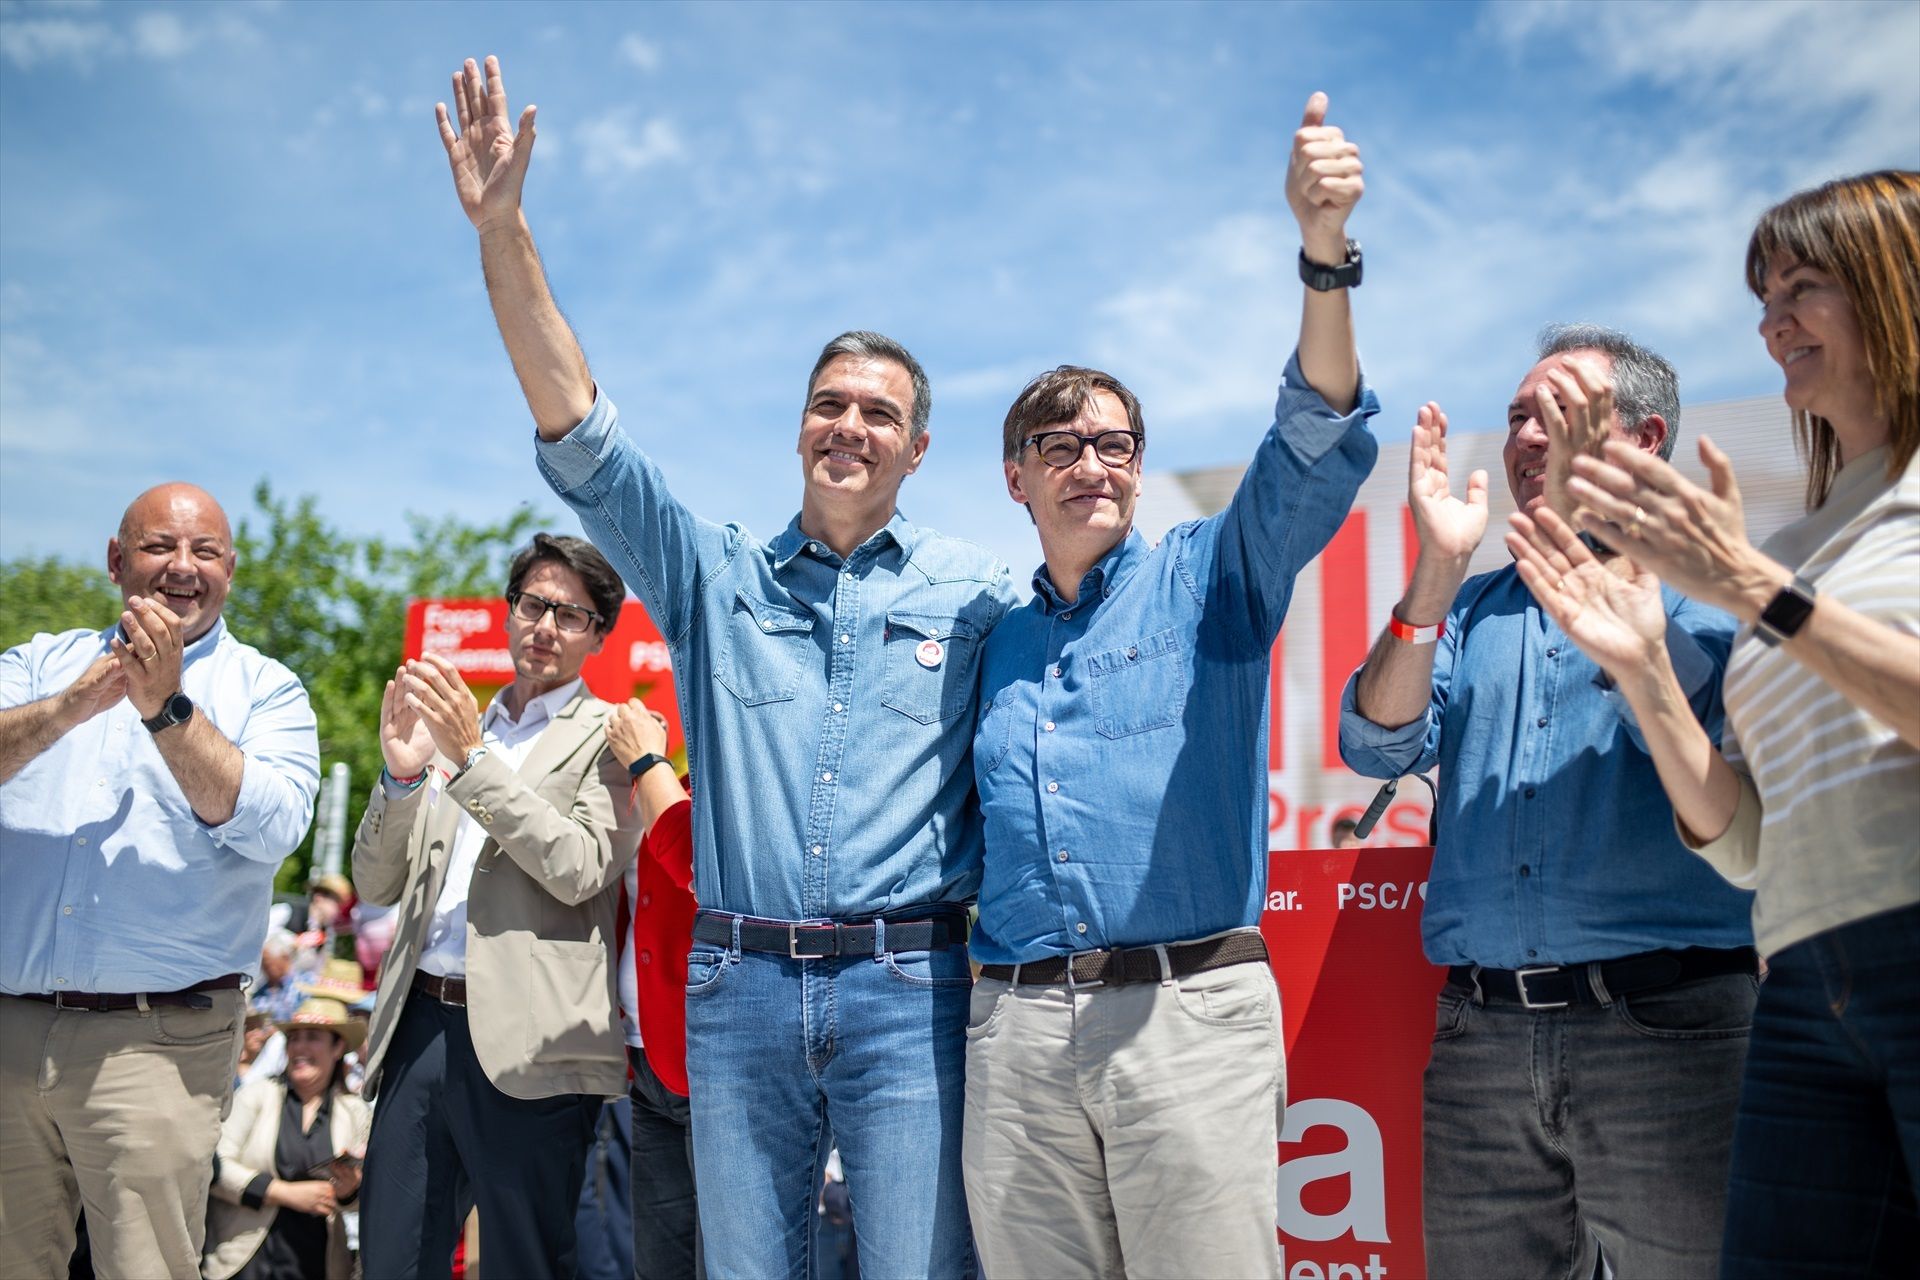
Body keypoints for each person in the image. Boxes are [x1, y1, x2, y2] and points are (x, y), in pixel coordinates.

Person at [434, 56, 1014, 1278]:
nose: (846, 425)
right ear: (799, 424)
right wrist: (505, 234)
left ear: (917, 446)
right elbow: (581, 431)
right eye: (827, 403)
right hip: (739, 988)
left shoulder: (979, 591)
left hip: (913, 993)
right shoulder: (714, 575)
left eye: (875, 412)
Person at [962, 93, 1375, 1278]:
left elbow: (1314, 428)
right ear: (1016, 478)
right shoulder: (990, 639)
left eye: (1117, 445)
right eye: (1062, 446)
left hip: (1187, 1019)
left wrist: (1324, 254)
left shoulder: (1217, 575)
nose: (1094, 464)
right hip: (1016, 1033)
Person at [1507, 169, 1920, 1277]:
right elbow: (1744, 845)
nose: (1771, 320)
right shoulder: (1799, 549)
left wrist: (1752, 592)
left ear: (1899, 287)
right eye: (1764, 293)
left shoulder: (1769, 574)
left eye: (1804, 284)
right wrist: (1644, 670)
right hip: (1800, 971)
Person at [1339, 325, 1758, 1278]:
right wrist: (1434, 580)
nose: (1526, 436)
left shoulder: (1721, 602)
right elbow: (1375, 741)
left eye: (1558, 413)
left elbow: (1751, 815)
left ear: (1645, 439)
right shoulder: (1473, 611)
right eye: (1518, 415)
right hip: (1480, 1045)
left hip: (1673, 1040)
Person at [0, 482, 320, 1278]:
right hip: (10, 1033)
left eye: (204, 551)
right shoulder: (43, 663)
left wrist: (167, 708)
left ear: (230, 571)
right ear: (117, 560)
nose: (182, 567)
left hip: (159, 1043)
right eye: (159, 547)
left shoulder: (266, 689)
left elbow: (275, 825)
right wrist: (70, 710)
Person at [350, 532, 644, 1280]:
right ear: (509, 612)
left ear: (598, 635)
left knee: (525, 1264)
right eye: (533, 604)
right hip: (418, 1024)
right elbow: (375, 884)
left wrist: (474, 762)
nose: (545, 625)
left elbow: (580, 867)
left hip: (535, 1043)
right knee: (391, 1262)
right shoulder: (453, 726)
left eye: (570, 614)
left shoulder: (610, 736)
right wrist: (402, 779)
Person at [604, 697, 702, 1280]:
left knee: (729, 1261)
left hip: (714, 1069)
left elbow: (696, 865)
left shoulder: (710, 795)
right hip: (646, 1064)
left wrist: (647, 763)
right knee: (659, 1265)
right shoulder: (659, 790)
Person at [203, 997, 373, 1280]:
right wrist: (284, 1193)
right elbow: (216, 1165)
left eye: (312, 1037)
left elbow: (366, 1197)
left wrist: (349, 1190)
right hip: (245, 1262)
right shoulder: (255, 1095)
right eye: (294, 1038)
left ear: (338, 1047)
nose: (299, 1047)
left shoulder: (356, 1112)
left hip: (316, 1264)